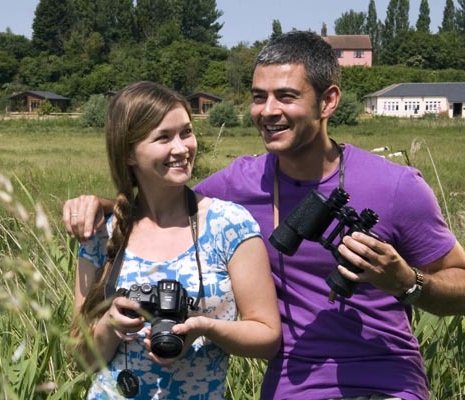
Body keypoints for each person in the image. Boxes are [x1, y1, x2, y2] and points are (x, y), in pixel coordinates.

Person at [65, 32, 465, 400]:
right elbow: (163, 204)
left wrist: (409, 283)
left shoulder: (394, 186)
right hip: (292, 385)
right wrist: (103, 207)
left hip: (387, 379)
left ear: (328, 101)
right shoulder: (239, 185)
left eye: (286, 96)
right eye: (259, 97)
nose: (268, 111)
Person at [68, 80, 281, 399]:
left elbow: (267, 338)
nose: (182, 148)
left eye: (186, 132)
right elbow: (80, 357)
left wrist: (205, 328)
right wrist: (111, 324)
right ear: (129, 153)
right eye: (163, 137)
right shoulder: (103, 232)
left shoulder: (229, 225)